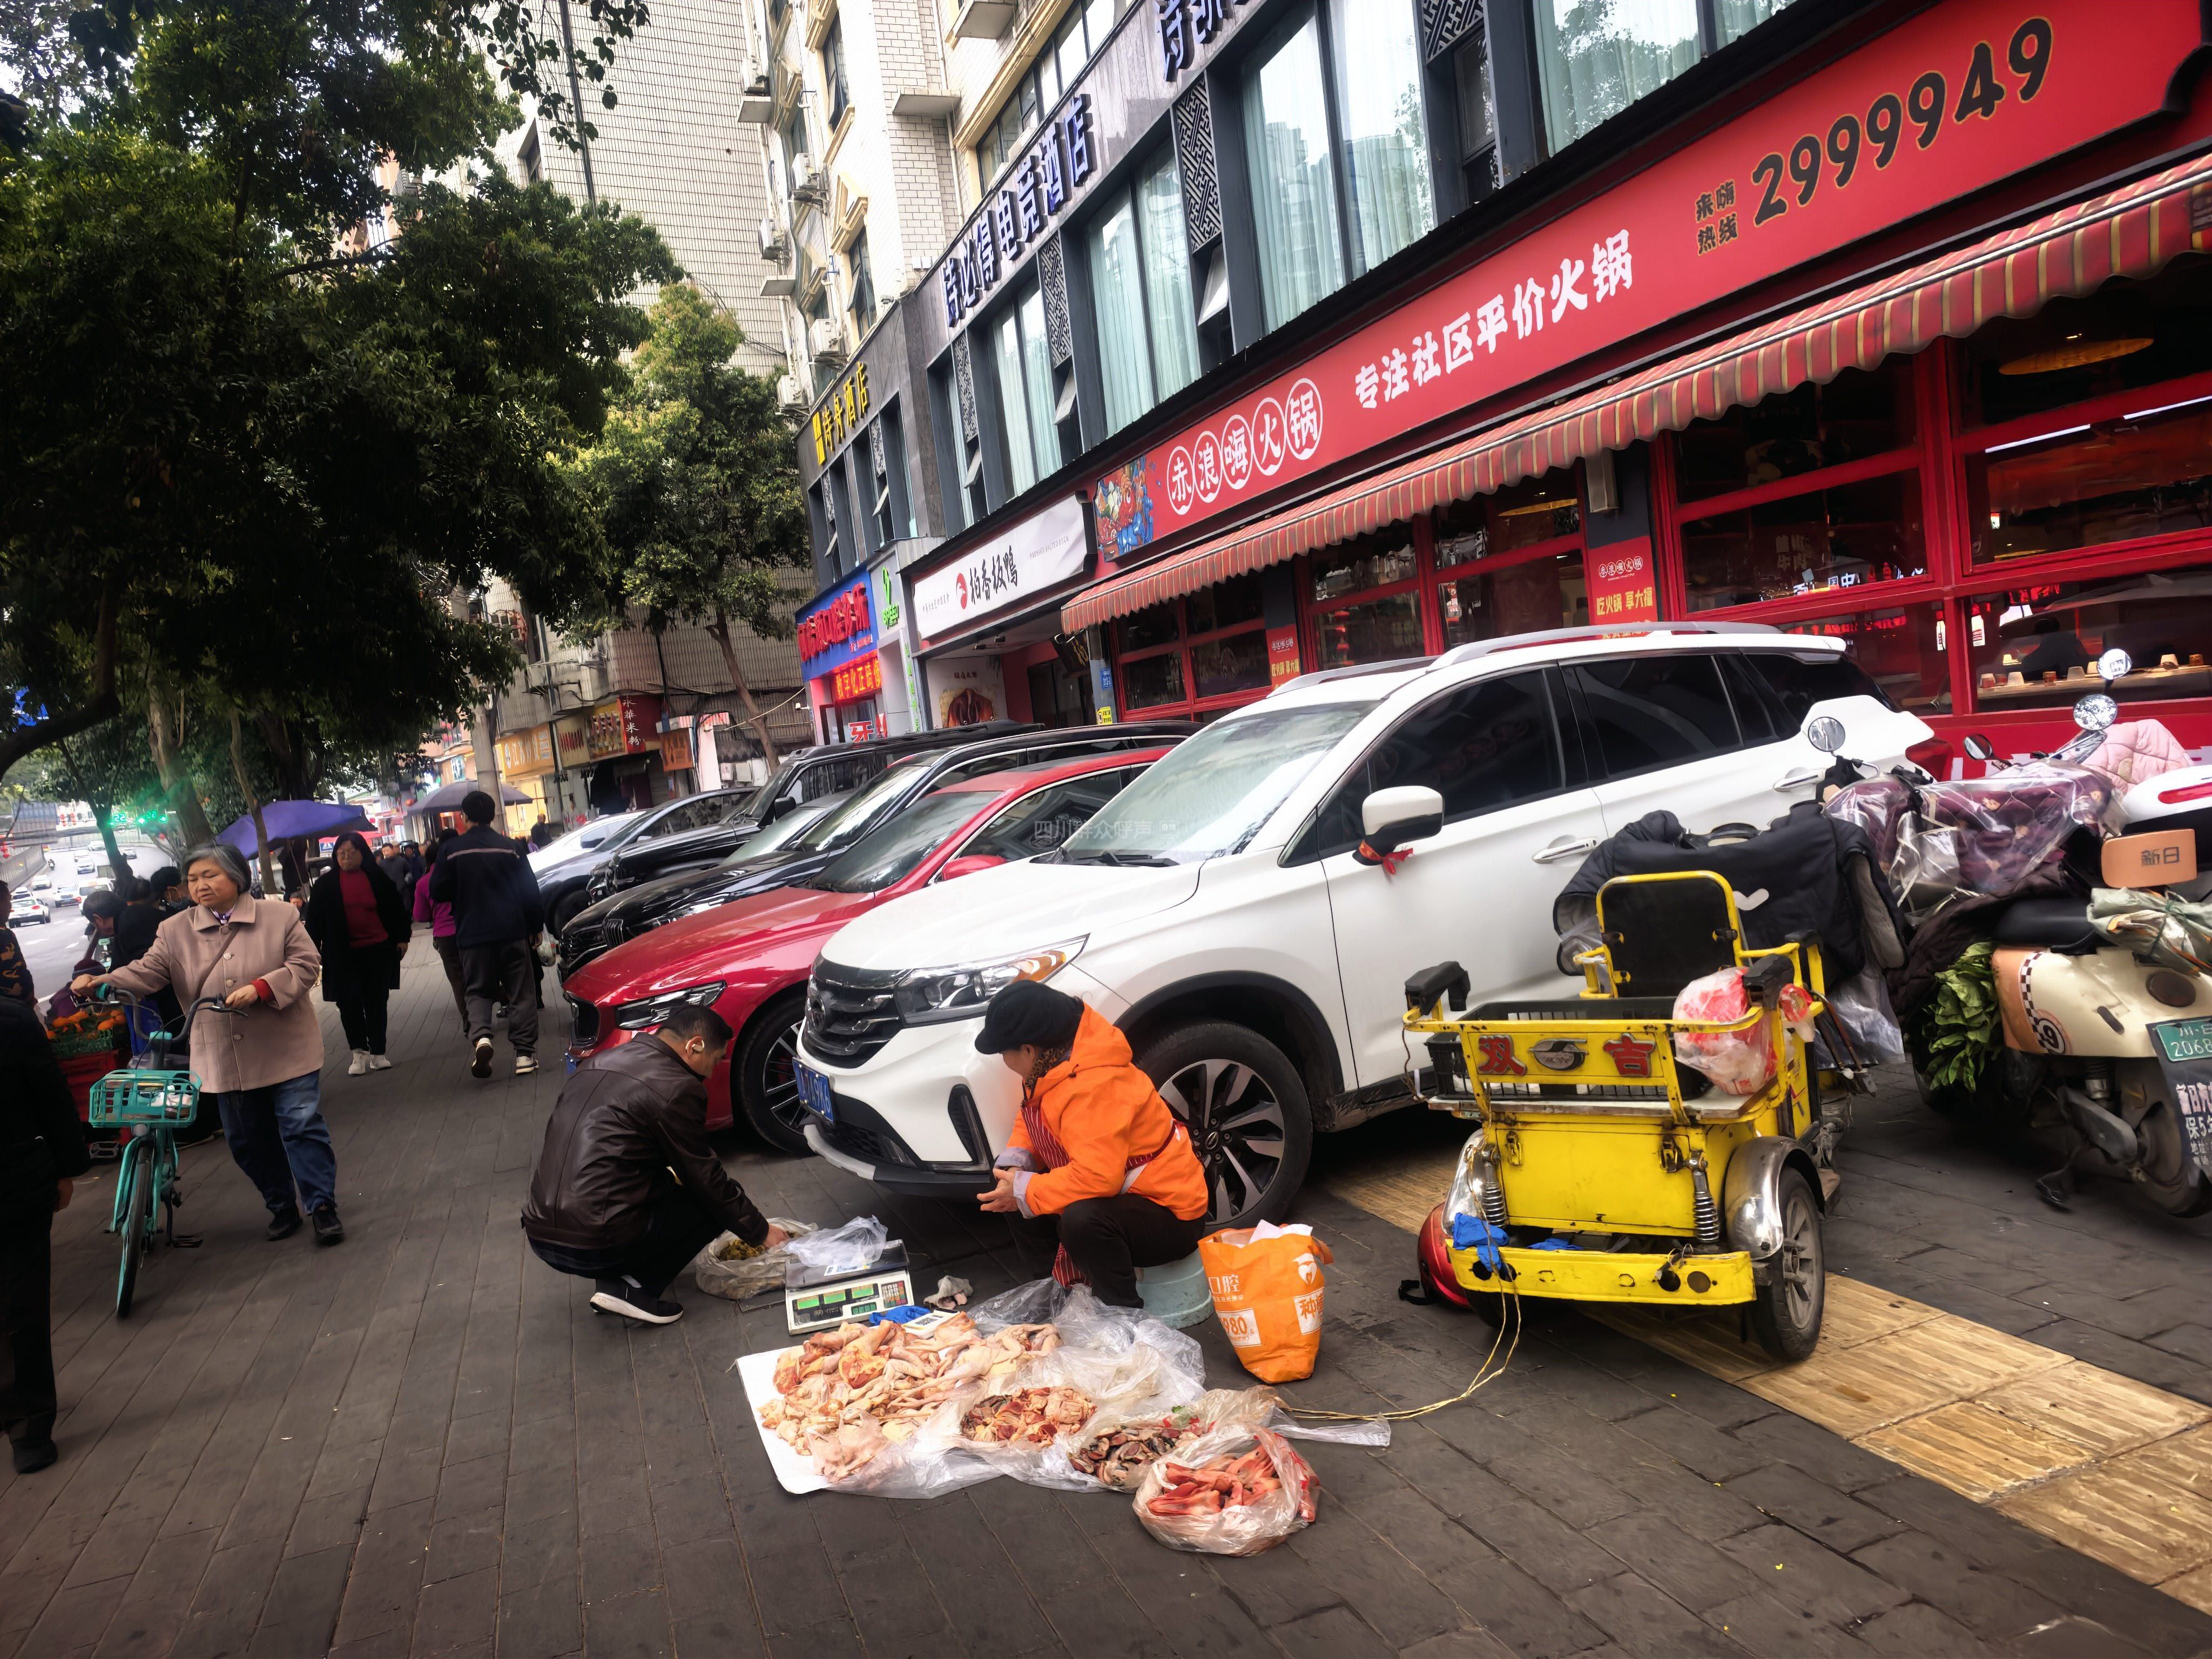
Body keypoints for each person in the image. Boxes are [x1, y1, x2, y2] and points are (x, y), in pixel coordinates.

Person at [73, 842, 345, 1245]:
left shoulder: (279, 916)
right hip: (222, 1054)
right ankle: (281, 1204)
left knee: (301, 1126)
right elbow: (148, 971)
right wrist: (102, 982)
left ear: (236, 877)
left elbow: (306, 965)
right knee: (246, 1141)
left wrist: (262, 987)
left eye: (210, 875)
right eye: (193, 878)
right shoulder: (174, 929)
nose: (199, 885)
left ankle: (322, 1206)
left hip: (286, 1047)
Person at [521, 1003, 786, 1324]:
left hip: (540, 1231)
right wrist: (760, 1231)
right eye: (716, 1060)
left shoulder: (597, 1063)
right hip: (593, 1242)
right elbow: (708, 1181)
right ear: (695, 1046)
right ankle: (635, 1289)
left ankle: (614, 1278)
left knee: (664, 1186)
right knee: (710, 1203)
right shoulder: (678, 1086)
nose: (712, 1072)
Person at [973, 980, 1210, 1307]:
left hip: (1170, 1214)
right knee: (1007, 1186)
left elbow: (1098, 1178)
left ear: (1028, 1050)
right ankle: (1053, 1297)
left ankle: (1120, 1315)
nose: (1004, 1060)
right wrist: (1016, 1167)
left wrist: (1025, 1190)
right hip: (1118, 1195)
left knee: (1081, 1221)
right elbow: (1032, 1119)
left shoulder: (1093, 1084)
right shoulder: (1050, 1065)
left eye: (1003, 1053)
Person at [0, 992, 89, 1473]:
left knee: (21, 1305)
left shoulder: (11, 1019)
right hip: (21, 1180)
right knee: (19, 1305)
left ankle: (29, 1423)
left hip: (16, 1184)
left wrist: (67, 1167)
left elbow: (50, 1096)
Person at [428, 791, 543, 1078]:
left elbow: (437, 891)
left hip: (472, 935)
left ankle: (481, 1037)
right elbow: (529, 890)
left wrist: (462, 889)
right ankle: (525, 1055)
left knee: (477, 990)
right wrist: (535, 927)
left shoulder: (451, 850)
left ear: (464, 817)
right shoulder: (511, 848)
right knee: (521, 992)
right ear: (493, 816)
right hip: (512, 931)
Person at [305, 832, 410, 1075]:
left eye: (352, 853)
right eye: (341, 853)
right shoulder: (325, 885)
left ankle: (378, 1053)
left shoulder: (378, 879)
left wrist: (402, 939)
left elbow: (397, 911)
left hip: (377, 950)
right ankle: (358, 1052)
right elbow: (314, 923)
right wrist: (312, 951)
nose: (346, 857)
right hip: (342, 955)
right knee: (348, 1003)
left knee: (376, 1002)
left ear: (362, 854)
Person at [414, 833, 469, 1037]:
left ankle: (469, 1019)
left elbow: (420, 915)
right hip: (470, 930)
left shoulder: (423, 883)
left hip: (445, 936)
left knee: (457, 978)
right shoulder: (463, 874)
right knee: (477, 973)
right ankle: (497, 998)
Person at [0, 881, 32, 1005]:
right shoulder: (5, 936)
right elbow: (20, 972)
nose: (10, 906)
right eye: (8, 900)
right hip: (14, 1009)